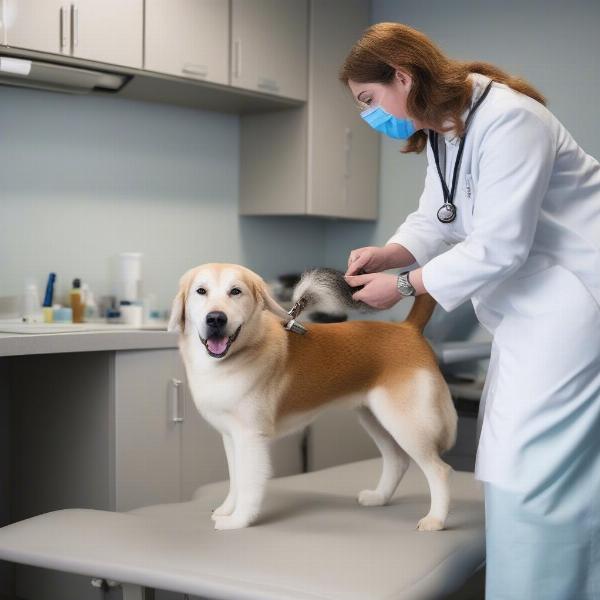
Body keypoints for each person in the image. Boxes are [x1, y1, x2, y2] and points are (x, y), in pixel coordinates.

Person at [340, 22, 600, 599]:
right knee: (508, 462)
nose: (368, 115)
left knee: (536, 473)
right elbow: (440, 216)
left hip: (572, 303)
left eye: (368, 99)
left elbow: (500, 244)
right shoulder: (447, 130)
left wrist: (403, 285)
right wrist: (393, 252)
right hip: (530, 313)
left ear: (402, 77)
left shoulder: (510, 119)